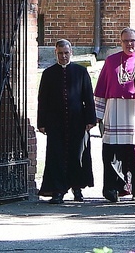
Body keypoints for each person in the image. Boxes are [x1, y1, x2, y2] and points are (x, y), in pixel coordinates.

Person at [94, 27, 135, 202]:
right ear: (120, 42)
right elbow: (101, 90)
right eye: (125, 41)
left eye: (132, 40)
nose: (129, 44)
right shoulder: (111, 61)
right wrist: (97, 114)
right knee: (113, 152)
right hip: (115, 112)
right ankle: (114, 189)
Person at [37, 39, 97, 204]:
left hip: (77, 120)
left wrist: (91, 119)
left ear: (71, 53)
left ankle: (77, 189)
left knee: (77, 155)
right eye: (60, 53)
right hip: (55, 122)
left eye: (66, 53)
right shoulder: (48, 73)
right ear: (55, 53)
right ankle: (58, 190)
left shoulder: (81, 72)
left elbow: (88, 97)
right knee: (56, 156)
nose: (63, 56)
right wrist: (41, 122)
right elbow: (43, 99)